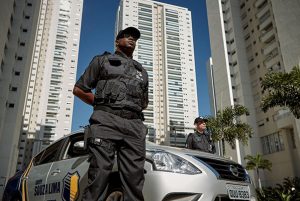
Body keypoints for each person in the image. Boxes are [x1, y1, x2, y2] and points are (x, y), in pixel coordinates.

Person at [73, 27, 148, 201]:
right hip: (106, 121)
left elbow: (143, 103)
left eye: (134, 38)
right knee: (99, 175)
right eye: (126, 36)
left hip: (134, 126)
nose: (131, 39)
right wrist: (101, 103)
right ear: (117, 41)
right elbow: (79, 89)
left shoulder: (142, 72)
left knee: (135, 180)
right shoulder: (102, 61)